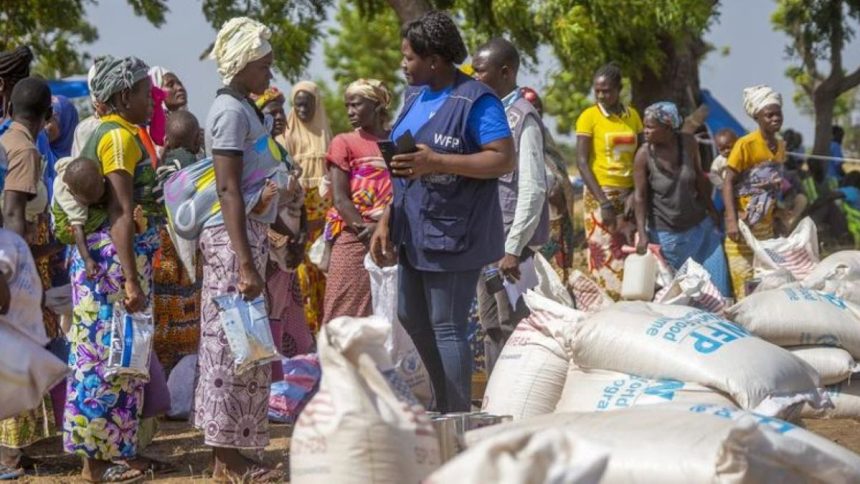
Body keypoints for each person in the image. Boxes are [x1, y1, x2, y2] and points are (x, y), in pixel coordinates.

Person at [370, 11, 515, 412]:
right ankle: (443, 403)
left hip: (456, 230)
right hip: (413, 227)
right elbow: (404, 164)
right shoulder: (415, 97)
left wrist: (439, 162)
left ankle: (457, 418)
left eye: (409, 57)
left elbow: (503, 159)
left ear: (434, 59)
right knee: (410, 315)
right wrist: (387, 218)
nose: (403, 64)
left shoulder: (476, 100)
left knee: (448, 325)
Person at [59, 54, 163, 483]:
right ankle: (95, 467)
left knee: (108, 360)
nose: (151, 100)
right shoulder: (119, 138)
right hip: (114, 264)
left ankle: (97, 464)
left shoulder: (120, 132)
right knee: (108, 361)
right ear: (123, 96)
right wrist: (132, 280)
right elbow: (120, 212)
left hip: (111, 261)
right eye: (143, 92)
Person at [195, 17, 289, 481]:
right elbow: (228, 190)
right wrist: (246, 264)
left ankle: (231, 455)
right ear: (243, 64)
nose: (270, 73)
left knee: (247, 348)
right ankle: (227, 461)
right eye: (264, 65)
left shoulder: (245, 108)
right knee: (230, 348)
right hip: (232, 243)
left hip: (244, 238)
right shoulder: (229, 113)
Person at [471, 38, 549, 374]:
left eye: (480, 70)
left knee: (513, 325)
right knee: (490, 326)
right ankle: (495, 402)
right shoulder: (488, 115)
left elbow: (532, 190)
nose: (474, 77)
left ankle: (516, 405)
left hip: (509, 249)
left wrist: (514, 248)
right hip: (486, 241)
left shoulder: (523, 119)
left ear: (505, 72)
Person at [0, 76, 59, 480]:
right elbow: (14, 214)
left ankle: (14, 452)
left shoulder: (7, 139)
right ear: (47, 116)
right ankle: (7, 455)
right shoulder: (24, 149)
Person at [632, 102, 730, 296]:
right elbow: (639, 196)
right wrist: (642, 233)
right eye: (645, 126)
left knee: (720, 289)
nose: (645, 131)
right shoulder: (644, 155)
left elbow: (699, 181)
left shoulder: (688, 143)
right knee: (690, 293)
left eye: (651, 127)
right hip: (669, 236)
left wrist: (712, 210)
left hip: (702, 229)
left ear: (668, 127)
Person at [322, 79, 394, 324]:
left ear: (375, 105)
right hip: (355, 237)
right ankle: (338, 364)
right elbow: (341, 199)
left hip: (393, 236)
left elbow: (407, 190)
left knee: (387, 314)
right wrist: (370, 233)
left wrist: (385, 228)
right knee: (343, 315)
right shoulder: (343, 143)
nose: (350, 112)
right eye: (347, 106)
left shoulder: (395, 142)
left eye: (356, 105)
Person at [253, 86, 313, 379]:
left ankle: (282, 374)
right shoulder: (255, 152)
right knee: (266, 308)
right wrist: (282, 239)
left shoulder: (279, 151)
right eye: (271, 111)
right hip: (268, 245)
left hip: (287, 250)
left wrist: (301, 236)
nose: (279, 116)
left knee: (282, 308)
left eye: (280, 110)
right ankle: (268, 374)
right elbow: (260, 204)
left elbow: (297, 198)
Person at [575, 62, 643, 299]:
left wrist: (636, 192)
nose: (602, 95)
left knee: (629, 253)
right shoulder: (589, 117)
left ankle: (630, 306)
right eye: (598, 91)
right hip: (599, 194)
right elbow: (582, 162)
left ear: (619, 89)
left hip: (629, 196)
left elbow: (641, 157)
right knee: (604, 253)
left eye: (607, 90)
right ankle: (606, 309)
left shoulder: (633, 116)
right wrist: (603, 203)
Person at [151, 109, 203, 372]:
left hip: (162, 247)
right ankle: (183, 375)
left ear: (167, 141)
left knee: (162, 311)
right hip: (189, 245)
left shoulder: (160, 167)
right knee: (189, 310)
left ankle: (163, 370)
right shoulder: (198, 165)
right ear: (196, 141)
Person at [723, 85, 786, 299]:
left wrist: (778, 214)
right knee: (745, 289)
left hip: (765, 231)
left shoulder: (780, 146)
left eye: (778, 113)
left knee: (765, 288)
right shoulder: (745, 145)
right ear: (757, 117)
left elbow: (773, 186)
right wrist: (731, 219)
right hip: (742, 230)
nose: (775, 118)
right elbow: (728, 182)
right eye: (769, 115)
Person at [283, 80, 331, 333]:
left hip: (323, 229)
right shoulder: (287, 135)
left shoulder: (326, 134)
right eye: (298, 105)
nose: (302, 110)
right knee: (301, 283)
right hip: (298, 224)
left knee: (324, 282)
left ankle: (323, 339)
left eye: (307, 105)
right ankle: (305, 336)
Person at [520, 86, 578, 282]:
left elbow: (557, 169)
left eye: (538, 108)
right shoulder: (511, 135)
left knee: (552, 276)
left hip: (553, 217)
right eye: (529, 107)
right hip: (526, 216)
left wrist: (559, 191)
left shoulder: (544, 133)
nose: (535, 112)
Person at [51, 157, 106, 278]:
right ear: (74, 195)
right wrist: (87, 259)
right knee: (103, 213)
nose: (95, 201)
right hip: (65, 231)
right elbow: (77, 229)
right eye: (89, 202)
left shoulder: (75, 166)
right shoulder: (72, 202)